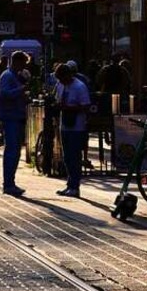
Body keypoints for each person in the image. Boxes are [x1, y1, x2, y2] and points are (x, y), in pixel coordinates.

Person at [0, 51, 30, 197]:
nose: (24, 67)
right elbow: (4, 94)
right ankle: (8, 183)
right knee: (12, 150)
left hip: (16, 116)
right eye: (23, 63)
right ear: (16, 61)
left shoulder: (15, 76)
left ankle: (10, 182)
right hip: (10, 116)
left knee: (15, 150)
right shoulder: (8, 76)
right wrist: (22, 90)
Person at [55, 63, 91, 197]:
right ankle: (70, 184)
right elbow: (58, 99)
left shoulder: (79, 87)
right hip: (64, 124)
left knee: (75, 156)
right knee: (67, 157)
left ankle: (75, 186)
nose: (61, 82)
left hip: (77, 126)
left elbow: (86, 106)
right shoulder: (60, 85)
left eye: (62, 79)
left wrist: (69, 108)